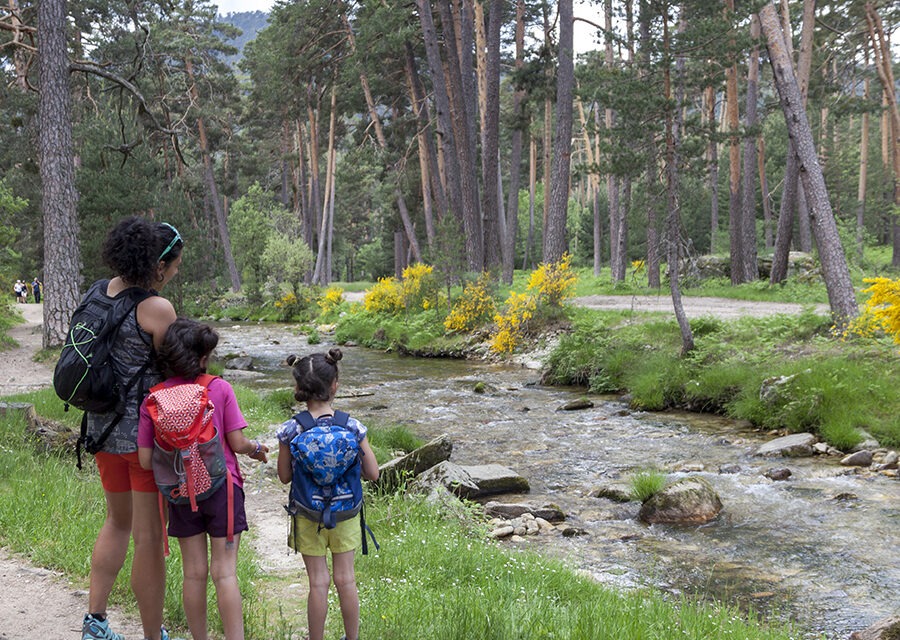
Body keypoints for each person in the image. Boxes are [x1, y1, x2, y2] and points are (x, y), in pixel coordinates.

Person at [81, 217, 183, 640]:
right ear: (158, 266)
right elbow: (176, 372)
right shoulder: (157, 309)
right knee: (148, 539)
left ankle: (95, 623)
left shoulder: (96, 293)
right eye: (175, 266)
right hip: (144, 446)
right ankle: (152, 635)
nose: (175, 273)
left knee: (115, 523)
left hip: (102, 433)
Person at [137, 318, 269, 640]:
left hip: (181, 491)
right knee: (225, 574)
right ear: (201, 357)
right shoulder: (219, 388)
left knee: (193, 575)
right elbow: (237, 443)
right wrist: (258, 449)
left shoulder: (152, 399)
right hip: (223, 490)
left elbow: (144, 460)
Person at [276, 348, 379, 640]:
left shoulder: (291, 430)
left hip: (308, 514)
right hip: (346, 514)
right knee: (346, 579)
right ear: (335, 385)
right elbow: (373, 473)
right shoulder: (353, 427)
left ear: (298, 388)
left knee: (318, 583)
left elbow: (284, 477)